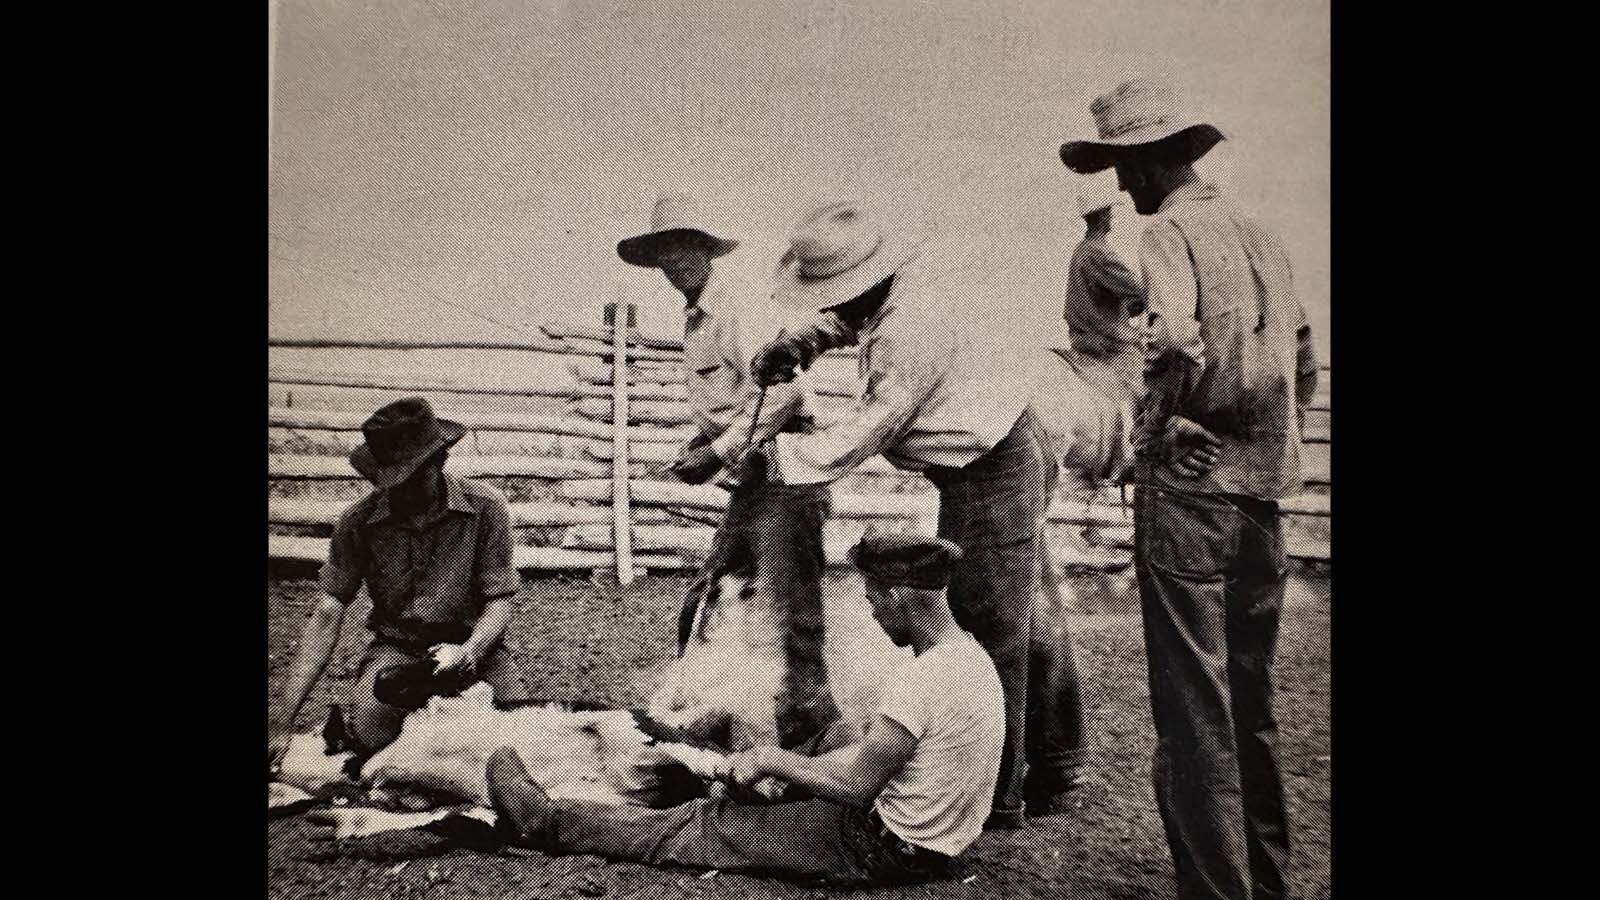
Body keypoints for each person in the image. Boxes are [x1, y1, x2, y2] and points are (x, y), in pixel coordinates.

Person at [1061, 78, 1320, 900]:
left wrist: (1156, 427)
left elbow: (1172, 338)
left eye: (1130, 165)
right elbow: (1302, 356)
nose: (1126, 185)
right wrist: (1271, 438)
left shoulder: (1171, 232)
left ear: (1154, 161)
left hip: (1192, 496)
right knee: (1251, 703)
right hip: (1261, 497)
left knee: (1194, 711)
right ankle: (1267, 885)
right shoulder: (1262, 233)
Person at [742, 201, 1058, 828]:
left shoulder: (906, 330)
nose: (834, 310)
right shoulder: (891, 301)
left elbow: (868, 429)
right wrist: (802, 340)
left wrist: (774, 453)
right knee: (1017, 612)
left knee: (990, 623)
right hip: (984, 458)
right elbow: (845, 326)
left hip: (993, 464)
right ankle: (1057, 759)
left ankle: (1000, 796)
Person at [467, 534, 1004, 887]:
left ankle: (545, 822)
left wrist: (774, 760)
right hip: (929, 836)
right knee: (829, 736)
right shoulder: (970, 658)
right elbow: (883, 757)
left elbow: (859, 787)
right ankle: (744, 785)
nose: (871, 613)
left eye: (873, 601)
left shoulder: (921, 678)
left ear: (900, 598)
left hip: (882, 846)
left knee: (699, 828)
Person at [616, 193, 835, 746]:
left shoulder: (739, 309)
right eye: (666, 251)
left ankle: (808, 738)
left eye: (687, 247)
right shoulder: (694, 320)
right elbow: (734, 403)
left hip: (789, 473)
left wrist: (716, 454)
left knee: (790, 607)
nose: (677, 261)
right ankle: (710, 715)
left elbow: (785, 393)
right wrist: (704, 439)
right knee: (712, 596)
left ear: (707, 252)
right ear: (657, 260)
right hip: (754, 476)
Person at [267, 397, 528, 769]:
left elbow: (499, 603)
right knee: (376, 743)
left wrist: (469, 651)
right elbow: (328, 613)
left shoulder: (486, 508)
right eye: (390, 479)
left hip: (472, 651)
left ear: (440, 461)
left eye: (411, 476)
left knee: (510, 745)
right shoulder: (358, 522)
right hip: (398, 651)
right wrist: (282, 718)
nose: (399, 490)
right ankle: (354, 721)